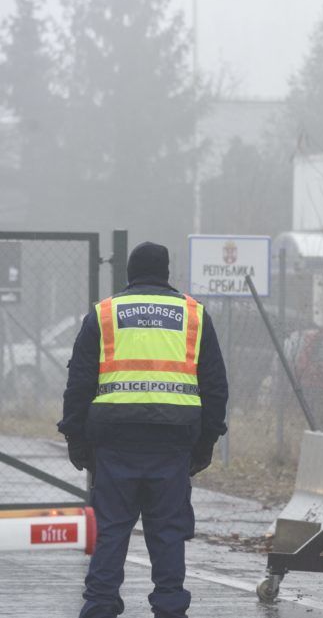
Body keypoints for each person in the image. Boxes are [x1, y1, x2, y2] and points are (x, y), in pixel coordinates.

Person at [58, 242, 229, 618]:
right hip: (173, 441)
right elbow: (215, 385)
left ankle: (101, 604)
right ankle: (169, 606)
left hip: (115, 441)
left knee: (111, 528)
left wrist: (75, 435)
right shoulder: (194, 316)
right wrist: (207, 441)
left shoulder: (104, 314)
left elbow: (80, 382)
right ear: (167, 273)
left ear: (130, 274)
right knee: (168, 530)